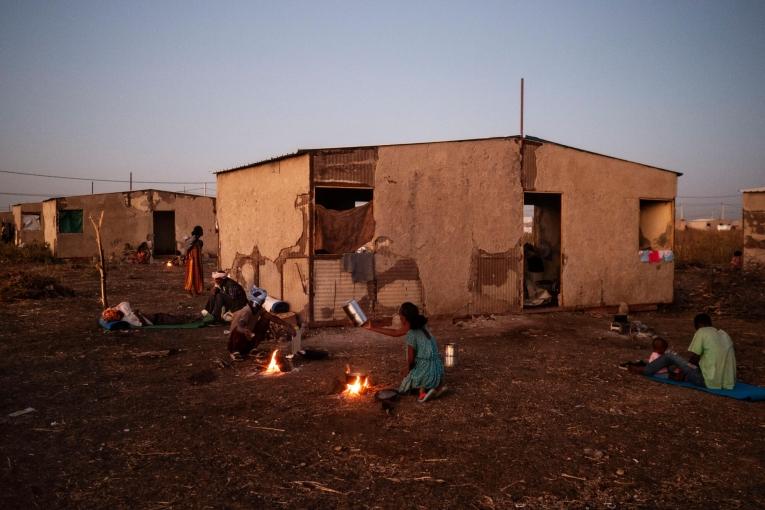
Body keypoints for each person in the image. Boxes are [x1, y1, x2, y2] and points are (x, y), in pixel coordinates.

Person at [364, 302, 446, 402]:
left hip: (426, 370)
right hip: (437, 369)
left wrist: (408, 371)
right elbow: (396, 333)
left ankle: (423, 393)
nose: (399, 317)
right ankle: (436, 388)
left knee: (405, 386)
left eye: (400, 315)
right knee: (417, 376)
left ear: (404, 318)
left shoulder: (411, 334)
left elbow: (410, 359)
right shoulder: (422, 326)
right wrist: (372, 328)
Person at [630, 313, 737, 390]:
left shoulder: (702, 331)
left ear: (697, 326)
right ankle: (675, 373)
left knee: (669, 355)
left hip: (707, 381)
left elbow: (694, 359)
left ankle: (645, 370)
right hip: (726, 382)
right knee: (678, 361)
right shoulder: (724, 334)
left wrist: (682, 370)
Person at [228, 286, 296, 360]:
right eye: (262, 300)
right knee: (239, 329)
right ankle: (235, 352)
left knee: (265, 319)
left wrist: (287, 325)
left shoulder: (258, 309)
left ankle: (252, 348)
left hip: (247, 340)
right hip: (235, 343)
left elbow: (270, 317)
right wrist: (248, 332)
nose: (263, 301)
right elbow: (240, 326)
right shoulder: (246, 311)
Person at [183, 226, 204, 295]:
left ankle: (196, 290)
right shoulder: (193, 238)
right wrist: (186, 257)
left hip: (196, 259)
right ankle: (189, 289)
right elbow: (187, 247)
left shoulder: (198, 240)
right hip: (192, 260)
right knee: (191, 274)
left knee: (197, 274)